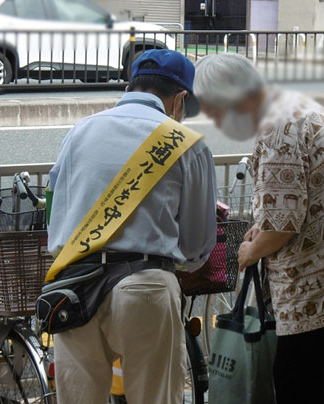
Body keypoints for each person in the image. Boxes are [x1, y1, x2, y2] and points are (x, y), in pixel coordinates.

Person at [194, 53, 324, 404]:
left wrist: (249, 251)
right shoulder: (291, 106)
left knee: (295, 382)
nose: (216, 119)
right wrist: (263, 226)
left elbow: (283, 228)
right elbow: (294, 202)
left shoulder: (276, 130)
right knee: (316, 379)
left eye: (214, 109)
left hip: (317, 280)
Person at [47, 49, 217, 404]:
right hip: (146, 284)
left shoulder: (80, 132)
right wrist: (184, 261)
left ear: (131, 85)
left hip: (75, 286)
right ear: (180, 99)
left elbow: (56, 214)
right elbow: (197, 244)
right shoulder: (186, 144)